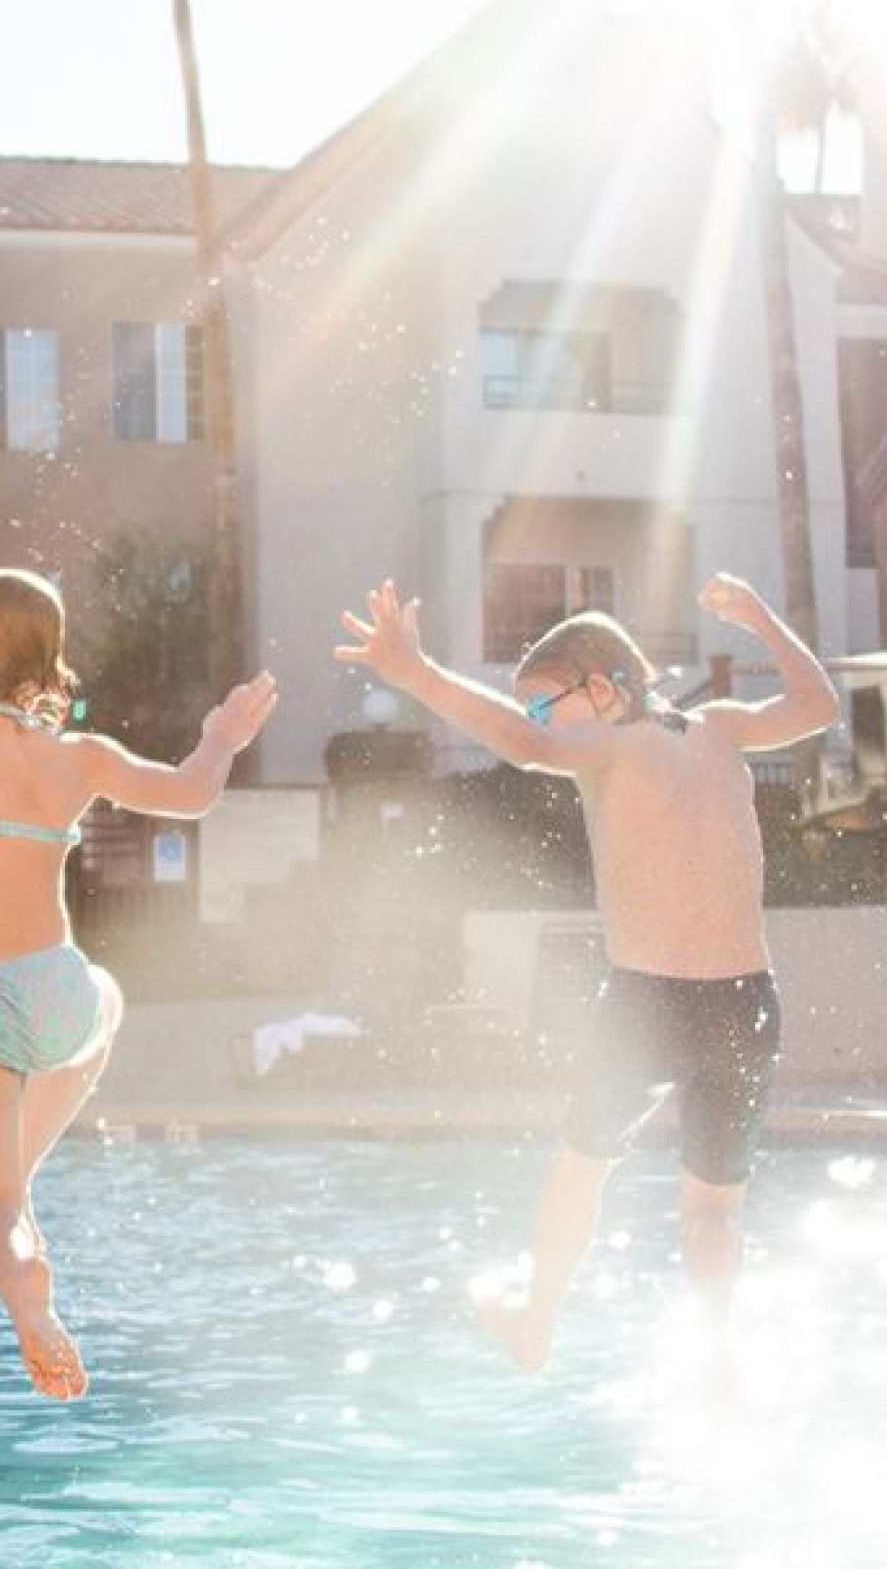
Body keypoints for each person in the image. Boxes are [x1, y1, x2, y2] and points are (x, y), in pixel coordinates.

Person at [334, 572, 838, 1374]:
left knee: (579, 1167)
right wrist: (761, 619)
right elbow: (818, 707)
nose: (540, 721)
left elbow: (526, 745)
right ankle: (716, 1366)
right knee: (713, 1212)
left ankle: (537, 1325)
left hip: (649, 1004)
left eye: (546, 702)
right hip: (748, 1003)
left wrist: (418, 674)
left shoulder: (614, 742)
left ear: (603, 689)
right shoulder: (721, 728)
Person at [0, 567, 277, 1399]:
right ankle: (22, 1168)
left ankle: (25, 1287)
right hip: (56, 987)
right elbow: (190, 792)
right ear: (52, 671)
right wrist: (221, 736)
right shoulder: (79, 757)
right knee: (107, 996)